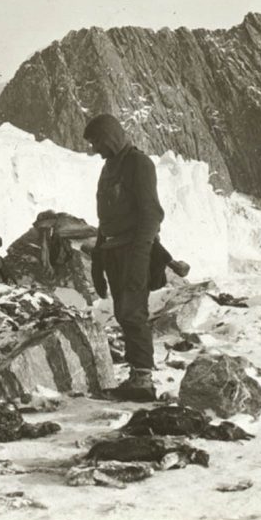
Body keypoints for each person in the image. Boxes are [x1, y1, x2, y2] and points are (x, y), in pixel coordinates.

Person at [84, 113, 165, 402]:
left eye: (97, 142)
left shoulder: (138, 164)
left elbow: (151, 215)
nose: (95, 149)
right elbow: (105, 218)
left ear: (110, 137)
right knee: (123, 311)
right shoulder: (109, 168)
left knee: (133, 311)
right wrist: (98, 258)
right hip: (114, 250)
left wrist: (140, 257)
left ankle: (143, 380)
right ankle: (136, 376)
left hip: (134, 249)